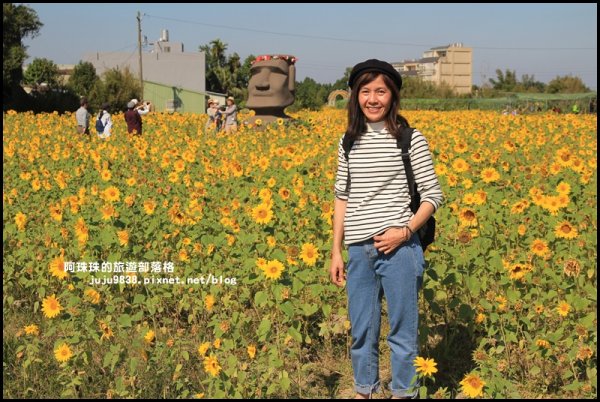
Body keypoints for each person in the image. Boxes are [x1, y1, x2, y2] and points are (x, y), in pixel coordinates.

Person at [329, 59, 443, 399]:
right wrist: (336, 250)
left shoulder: (410, 139)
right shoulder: (348, 142)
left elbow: (433, 196)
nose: (373, 99)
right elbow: (342, 198)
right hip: (358, 252)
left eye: (381, 91)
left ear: (393, 96)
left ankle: (404, 393)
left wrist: (405, 232)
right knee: (362, 331)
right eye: (365, 91)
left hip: (400, 250)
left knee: (403, 333)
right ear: (355, 96)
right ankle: (364, 390)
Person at [245, 54, 297, 125]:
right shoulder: (244, 125)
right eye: (255, 73)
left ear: (291, 82)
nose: (260, 84)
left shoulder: (290, 128)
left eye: (276, 72)